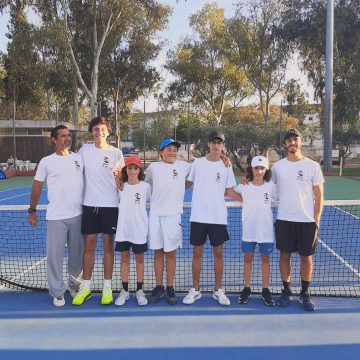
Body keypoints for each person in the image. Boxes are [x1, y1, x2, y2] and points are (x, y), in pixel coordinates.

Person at [28, 125, 84, 307]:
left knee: (77, 255)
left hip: (78, 215)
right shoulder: (46, 162)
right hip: (55, 217)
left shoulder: (79, 159)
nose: (68, 138)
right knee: (55, 257)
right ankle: (57, 292)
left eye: (69, 135)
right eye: (63, 136)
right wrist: (32, 210)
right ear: (54, 139)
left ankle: (74, 286)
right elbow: (36, 186)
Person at [72, 117, 125, 306]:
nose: (99, 132)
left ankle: (107, 287)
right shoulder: (84, 150)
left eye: (102, 129)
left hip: (110, 206)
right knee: (89, 246)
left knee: (108, 246)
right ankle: (85, 288)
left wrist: (120, 178)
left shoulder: (116, 153)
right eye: (95, 129)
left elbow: (122, 183)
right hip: (89, 205)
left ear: (108, 132)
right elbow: (71, 163)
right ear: (91, 132)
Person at [183, 131, 238, 306]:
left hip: (218, 217)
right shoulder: (197, 163)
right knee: (197, 254)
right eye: (213, 142)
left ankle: (218, 290)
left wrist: (251, 198)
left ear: (223, 145)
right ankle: (195, 289)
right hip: (198, 216)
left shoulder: (226, 166)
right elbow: (187, 183)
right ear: (208, 144)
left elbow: (230, 191)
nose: (216, 145)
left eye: (219, 143)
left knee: (218, 254)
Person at [272, 128, 324, 311]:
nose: (292, 143)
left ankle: (305, 292)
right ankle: (286, 291)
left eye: (295, 139)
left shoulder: (312, 166)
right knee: (284, 256)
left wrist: (316, 219)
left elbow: (319, 195)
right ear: (285, 144)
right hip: (284, 220)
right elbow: (267, 187)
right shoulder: (277, 167)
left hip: (307, 221)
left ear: (300, 141)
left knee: (306, 259)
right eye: (289, 140)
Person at [145, 138, 191, 305]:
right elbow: (140, 180)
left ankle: (170, 288)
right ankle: (159, 287)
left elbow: (203, 167)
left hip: (173, 216)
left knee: (171, 254)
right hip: (155, 215)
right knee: (157, 253)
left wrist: (223, 157)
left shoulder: (184, 166)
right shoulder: (153, 167)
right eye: (168, 149)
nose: (172, 152)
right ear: (161, 152)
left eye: (174, 149)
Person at [233, 155, 278, 306]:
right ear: (251, 169)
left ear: (266, 170)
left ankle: (265, 289)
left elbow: (282, 195)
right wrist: (244, 199)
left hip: (266, 232)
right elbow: (228, 192)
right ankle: (247, 288)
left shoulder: (271, 186)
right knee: (248, 259)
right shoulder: (244, 185)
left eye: (262, 168)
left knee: (265, 259)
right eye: (256, 168)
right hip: (249, 231)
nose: (259, 171)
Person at [114, 156, 151, 306]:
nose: (132, 171)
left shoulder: (146, 187)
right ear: (126, 169)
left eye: (135, 168)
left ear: (139, 170)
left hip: (139, 230)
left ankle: (140, 290)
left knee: (139, 260)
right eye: (129, 168)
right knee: (124, 259)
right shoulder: (120, 186)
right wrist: (117, 177)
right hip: (123, 230)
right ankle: (125, 291)